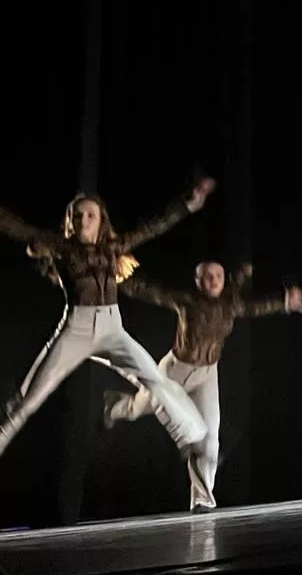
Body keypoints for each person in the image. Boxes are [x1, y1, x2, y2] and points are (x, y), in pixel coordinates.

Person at [0, 180, 214, 459]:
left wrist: (187, 205)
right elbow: (18, 228)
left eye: (90, 215)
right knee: (29, 399)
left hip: (113, 329)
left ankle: (195, 439)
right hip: (77, 328)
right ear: (70, 221)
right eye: (78, 216)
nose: (83, 220)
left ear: (101, 221)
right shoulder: (61, 247)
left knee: (156, 380)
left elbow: (151, 228)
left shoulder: (113, 247)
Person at [107, 261, 302, 512]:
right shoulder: (186, 301)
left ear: (224, 280)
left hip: (206, 374)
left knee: (211, 439)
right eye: (207, 277)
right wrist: (119, 277)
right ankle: (115, 406)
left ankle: (202, 499)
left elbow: (255, 307)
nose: (213, 281)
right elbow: (149, 291)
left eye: (218, 276)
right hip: (174, 370)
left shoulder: (230, 305)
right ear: (197, 281)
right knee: (138, 409)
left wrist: (285, 301)